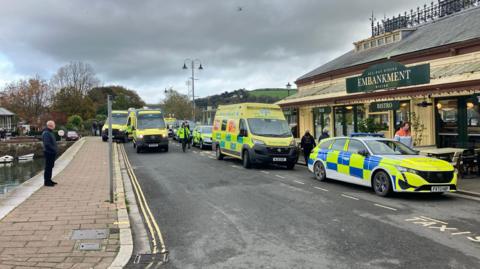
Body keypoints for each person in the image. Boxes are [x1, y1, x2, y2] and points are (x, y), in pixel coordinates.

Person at [42, 120, 58, 187]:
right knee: (48, 167)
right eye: (54, 124)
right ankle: (47, 182)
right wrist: (54, 149)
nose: (55, 125)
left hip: (51, 152)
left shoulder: (50, 132)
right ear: (50, 125)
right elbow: (47, 144)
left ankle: (49, 180)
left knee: (50, 167)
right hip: (49, 152)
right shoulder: (46, 133)